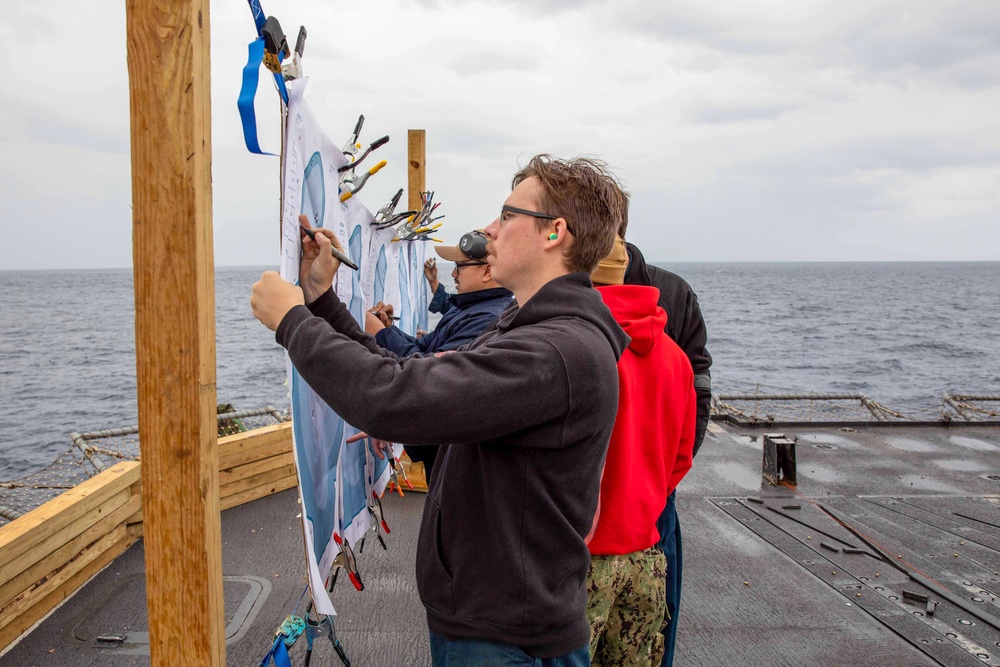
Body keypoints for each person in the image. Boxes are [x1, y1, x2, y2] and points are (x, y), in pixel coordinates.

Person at [251, 155, 629, 666]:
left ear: (553, 232)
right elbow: (407, 377)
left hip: (505, 639)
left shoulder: (554, 352)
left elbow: (393, 397)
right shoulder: (535, 333)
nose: (491, 230)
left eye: (507, 215)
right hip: (498, 625)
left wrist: (292, 321)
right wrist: (319, 300)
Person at [585, 236, 696, 666]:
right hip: (646, 558)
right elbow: (681, 459)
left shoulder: (580, 347)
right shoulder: (675, 357)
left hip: (583, 563)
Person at [620, 226, 712, 667]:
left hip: (653, 493)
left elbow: (699, 384)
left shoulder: (673, 292)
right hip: (602, 490)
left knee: (654, 627)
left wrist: (661, 478)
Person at [364, 230, 513, 481]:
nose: (453, 274)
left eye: (459, 266)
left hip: (454, 461)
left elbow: (432, 373)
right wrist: (388, 328)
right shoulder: (470, 308)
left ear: (487, 271)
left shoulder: (486, 318)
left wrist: (379, 335)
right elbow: (425, 347)